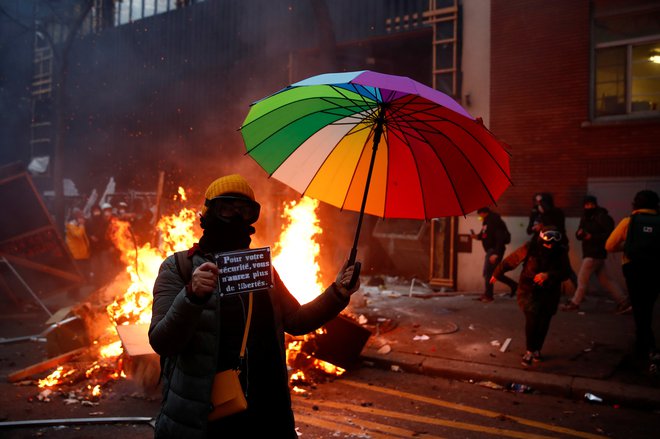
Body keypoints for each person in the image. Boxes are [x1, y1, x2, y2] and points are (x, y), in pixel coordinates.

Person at [148, 174, 360, 438]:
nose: (235, 218)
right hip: (206, 418)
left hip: (266, 415)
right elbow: (162, 341)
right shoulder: (178, 267)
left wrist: (336, 294)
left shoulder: (260, 270)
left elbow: (295, 320)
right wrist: (191, 296)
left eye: (244, 211)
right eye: (226, 208)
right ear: (207, 214)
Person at [491, 226, 572, 367]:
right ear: (541, 238)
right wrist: (496, 273)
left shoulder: (561, 251)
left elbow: (566, 272)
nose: (550, 245)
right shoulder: (530, 247)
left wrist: (548, 275)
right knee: (532, 320)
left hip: (550, 293)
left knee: (544, 322)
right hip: (529, 291)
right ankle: (529, 350)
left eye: (553, 243)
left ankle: (537, 350)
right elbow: (511, 260)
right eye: (547, 241)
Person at [605, 189, 660, 374]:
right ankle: (644, 342)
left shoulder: (629, 222)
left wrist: (629, 246)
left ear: (635, 204)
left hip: (633, 268)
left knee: (638, 307)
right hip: (655, 270)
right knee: (647, 306)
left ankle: (646, 345)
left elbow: (609, 246)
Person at [561, 195, 630, 313]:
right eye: (586, 205)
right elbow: (579, 234)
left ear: (595, 204)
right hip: (590, 252)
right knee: (606, 280)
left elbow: (610, 235)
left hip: (595, 253)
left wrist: (591, 237)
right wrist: (580, 234)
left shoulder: (602, 217)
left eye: (591, 204)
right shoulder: (585, 217)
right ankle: (623, 301)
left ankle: (575, 302)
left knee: (582, 280)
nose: (589, 207)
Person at [471, 207, 517, 302]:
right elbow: (484, 235)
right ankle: (514, 285)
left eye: (480, 215)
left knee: (488, 273)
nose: (479, 217)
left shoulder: (495, 221)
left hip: (494, 251)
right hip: (491, 251)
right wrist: (477, 237)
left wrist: (496, 253)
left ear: (484, 213)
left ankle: (488, 295)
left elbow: (500, 239)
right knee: (494, 273)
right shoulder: (486, 222)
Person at [65, 208, 90, 299]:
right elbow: (78, 235)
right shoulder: (71, 226)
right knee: (75, 275)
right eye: (80, 217)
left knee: (80, 275)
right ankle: (73, 294)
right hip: (75, 255)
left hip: (82, 254)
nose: (82, 219)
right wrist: (82, 225)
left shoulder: (77, 226)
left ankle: (75, 293)